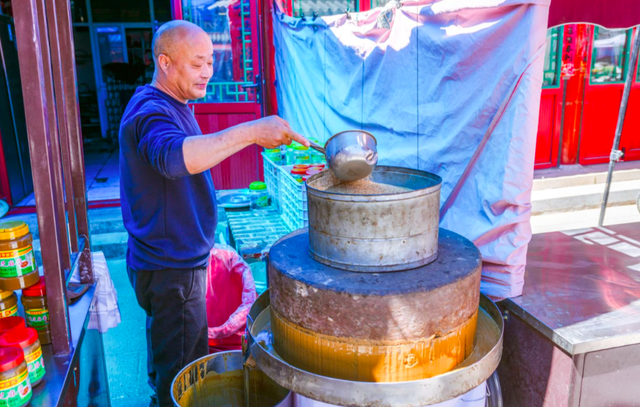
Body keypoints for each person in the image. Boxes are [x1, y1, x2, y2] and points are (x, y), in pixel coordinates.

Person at [119, 20, 308, 407]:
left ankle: (160, 392)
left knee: (168, 352)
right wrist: (251, 131)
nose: (207, 71)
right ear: (165, 62)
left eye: (210, 62)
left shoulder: (173, 103)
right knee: (182, 373)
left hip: (164, 259)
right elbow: (174, 158)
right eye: (196, 63)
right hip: (171, 268)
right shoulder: (150, 112)